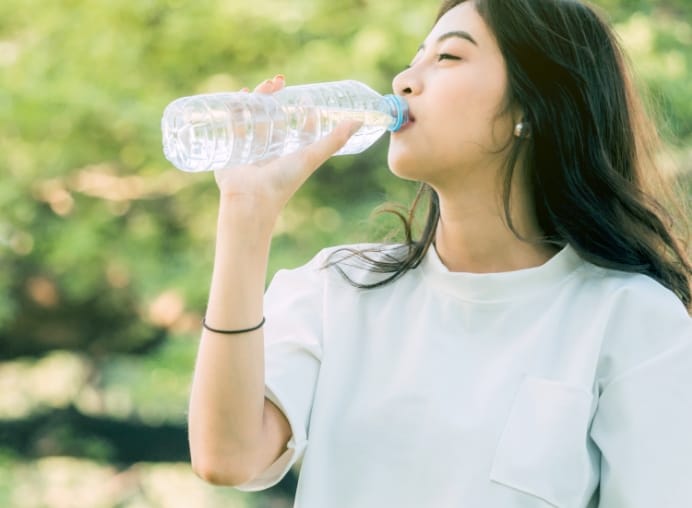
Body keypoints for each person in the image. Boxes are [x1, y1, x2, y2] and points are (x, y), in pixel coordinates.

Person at [187, 0, 692, 506]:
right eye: (415, 57)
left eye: (447, 58)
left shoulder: (632, 320)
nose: (405, 80)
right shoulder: (336, 288)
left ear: (532, 108)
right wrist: (245, 212)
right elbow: (228, 457)